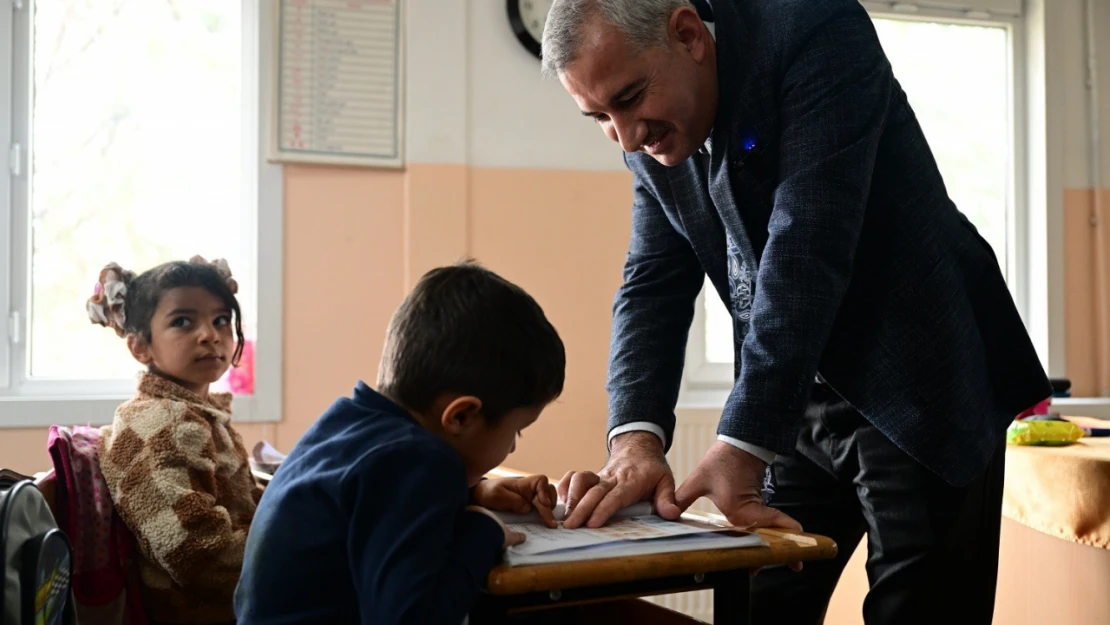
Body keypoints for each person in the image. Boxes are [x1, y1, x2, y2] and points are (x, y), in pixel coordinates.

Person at [542, 1, 1052, 623]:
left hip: (921, 377)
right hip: (794, 391)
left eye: (629, 99)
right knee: (757, 605)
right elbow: (652, 283)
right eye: (599, 117)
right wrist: (635, 440)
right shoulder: (645, 130)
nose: (626, 138)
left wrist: (741, 442)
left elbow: (807, 245)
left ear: (687, 35)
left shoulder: (814, 28)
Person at [233, 262, 566, 625]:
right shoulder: (420, 461)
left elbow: (367, 507)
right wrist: (483, 529)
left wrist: (474, 494)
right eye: (517, 431)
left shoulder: (348, 425)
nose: (513, 449)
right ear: (461, 417)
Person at [87, 256, 262, 624]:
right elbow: (197, 554)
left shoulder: (199, 413)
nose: (210, 334)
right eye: (183, 321)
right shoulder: (155, 422)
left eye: (221, 320)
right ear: (141, 348)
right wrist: (302, 549)